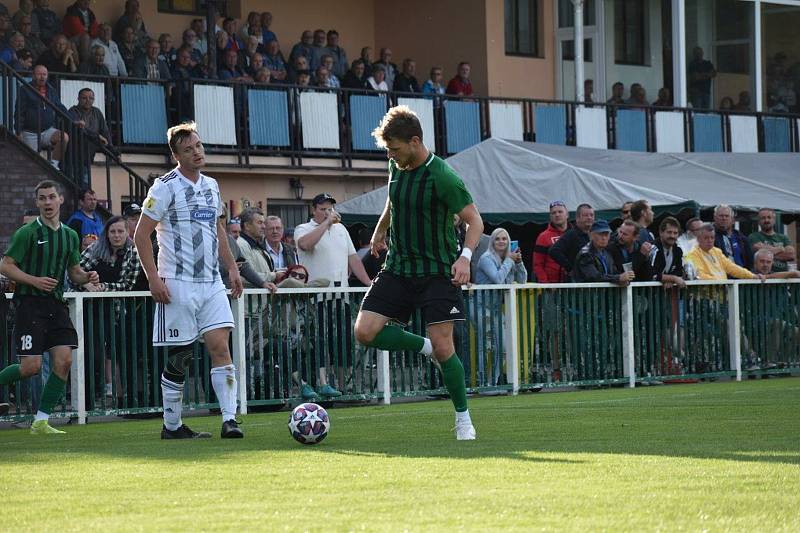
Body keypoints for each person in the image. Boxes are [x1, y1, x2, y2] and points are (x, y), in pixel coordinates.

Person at [353, 106, 484, 441]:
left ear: (414, 141)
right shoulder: (396, 165)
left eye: (394, 149)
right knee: (364, 332)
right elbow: (392, 201)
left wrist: (465, 258)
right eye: (388, 151)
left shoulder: (442, 176)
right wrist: (380, 230)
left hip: (438, 272)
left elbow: (475, 220)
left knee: (446, 349)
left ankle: (463, 419)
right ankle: (424, 347)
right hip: (398, 267)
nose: (391, 155)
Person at [133, 121, 245, 439]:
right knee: (180, 357)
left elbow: (218, 230)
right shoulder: (163, 187)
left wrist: (233, 268)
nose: (197, 152)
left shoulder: (211, 185)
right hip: (177, 281)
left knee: (220, 346)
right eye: (188, 149)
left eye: (198, 145)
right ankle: (172, 426)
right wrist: (153, 279)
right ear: (176, 156)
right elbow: (141, 235)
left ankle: (229, 419)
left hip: (210, 282)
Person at [0, 180, 99, 430]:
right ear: (37, 203)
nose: (47, 202)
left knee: (64, 361)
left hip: (56, 305)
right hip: (29, 305)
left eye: (51, 197)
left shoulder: (70, 235)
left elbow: (74, 272)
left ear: (60, 200)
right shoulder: (28, 233)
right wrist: (33, 280)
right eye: (42, 198)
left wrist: (88, 277)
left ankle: (41, 421)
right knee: (30, 367)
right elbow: (5, 265)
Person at [78, 215, 141, 401]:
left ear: (127, 232)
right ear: (107, 233)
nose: (116, 235)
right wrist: (86, 285)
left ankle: (126, 402)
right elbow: (75, 272)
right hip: (92, 312)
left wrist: (102, 288)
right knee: (92, 357)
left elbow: (128, 284)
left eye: (120, 231)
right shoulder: (95, 249)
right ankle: (86, 405)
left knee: (124, 355)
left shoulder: (133, 252)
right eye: (112, 231)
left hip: (120, 312)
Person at [15, 64, 70, 169]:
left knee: (64, 137)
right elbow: (19, 112)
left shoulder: (51, 90)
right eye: (39, 74)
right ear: (33, 75)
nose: (42, 77)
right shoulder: (25, 89)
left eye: (44, 74)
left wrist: (74, 120)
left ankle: (54, 164)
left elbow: (60, 108)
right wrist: (18, 131)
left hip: (47, 130)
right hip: (29, 132)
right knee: (32, 165)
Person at [685, 224, 760, 281]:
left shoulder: (717, 251)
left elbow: (731, 267)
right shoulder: (693, 253)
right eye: (706, 238)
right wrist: (721, 282)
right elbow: (699, 274)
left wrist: (752, 276)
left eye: (712, 237)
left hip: (722, 293)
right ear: (698, 239)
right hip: (705, 297)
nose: (710, 240)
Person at [572, 220, 635, 285]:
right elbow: (594, 277)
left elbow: (613, 272)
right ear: (591, 235)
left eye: (606, 234)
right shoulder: (586, 254)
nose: (604, 238)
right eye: (600, 234)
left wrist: (623, 279)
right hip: (587, 294)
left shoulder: (607, 252)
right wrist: (618, 278)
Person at [548, 203, 595, 280]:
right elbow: (553, 251)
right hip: (577, 283)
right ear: (577, 218)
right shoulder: (571, 234)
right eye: (585, 215)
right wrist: (571, 268)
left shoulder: (594, 234)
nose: (589, 217)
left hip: (593, 279)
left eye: (591, 215)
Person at [235, 207, 279, 288]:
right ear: (247, 226)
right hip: (250, 299)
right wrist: (275, 276)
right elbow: (246, 275)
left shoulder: (257, 245)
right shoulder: (241, 245)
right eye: (259, 223)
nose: (264, 226)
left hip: (262, 297)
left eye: (263, 223)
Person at [748, 208, 795, 273]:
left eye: (769, 217)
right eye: (763, 218)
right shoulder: (753, 236)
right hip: (763, 277)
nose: (766, 220)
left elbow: (791, 255)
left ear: (774, 220)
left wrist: (765, 252)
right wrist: (780, 249)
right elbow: (757, 249)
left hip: (782, 277)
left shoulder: (783, 237)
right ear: (758, 222)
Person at [533, 200, 568, 283]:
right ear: (550, 217)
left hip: (573, 287)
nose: (557, 215)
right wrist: (546, 285)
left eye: (560, 212)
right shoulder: (543, 237)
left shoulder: (575, 234)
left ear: (567, 214)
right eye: (553, 213)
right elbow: (537, 265)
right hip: (551, 288)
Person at [713, 204, 752, 272]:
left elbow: (750, 261)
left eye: (727, 216)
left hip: (741, 276)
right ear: (715, 218)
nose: (724, 218)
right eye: (721, 216)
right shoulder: (709, 236)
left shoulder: (741, 238)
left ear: (733, 220)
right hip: (719, 276)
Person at [651, 217, 686, 288]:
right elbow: (652, 274)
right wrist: (673, 278)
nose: (672, 236)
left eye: (675, 233)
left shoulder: (678, 251)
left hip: (666, 294)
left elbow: (679, 271)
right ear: (661, 232)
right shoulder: (653, 249)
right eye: (669, 232)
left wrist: (669, 280)